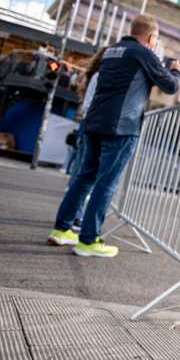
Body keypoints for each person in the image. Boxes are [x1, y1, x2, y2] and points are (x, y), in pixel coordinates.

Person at [47, 14, 180, 258]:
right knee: (105, 183)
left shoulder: (112, 50)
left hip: (94, 123)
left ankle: (61, 229)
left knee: (83, 178)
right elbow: (170, 86)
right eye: (156, 39)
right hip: (120, 127)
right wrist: (176, 71)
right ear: (151, 37)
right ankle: (88, 240)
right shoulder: (143, 53)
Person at [65, 47, 107, 231]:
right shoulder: (100, 76)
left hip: (86, 124)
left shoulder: (95, 75)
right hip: (91, 124)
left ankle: (71, 214)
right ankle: (75, 215)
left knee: (80, 171)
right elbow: (90, 105)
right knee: (84, 172)